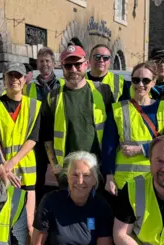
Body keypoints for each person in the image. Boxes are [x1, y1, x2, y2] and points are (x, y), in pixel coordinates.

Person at [0, 62, 41, 242]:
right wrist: (4, 167)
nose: (14, 80)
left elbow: (32, 139)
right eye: (10, 76)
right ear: (4, 79)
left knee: (28, 223)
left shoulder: (34, 106)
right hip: (1, 171)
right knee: (5, 220)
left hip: (26, 172)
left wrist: (11, 163)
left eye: (18, 76)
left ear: (25, 80)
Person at [32, 151, 122, 245]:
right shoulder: (50, 201)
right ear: (67, 177)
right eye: (75, 175)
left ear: (95, 180)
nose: (80, 181)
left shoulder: (101, 206)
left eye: (86, 175)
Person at [102, 62, 164, 195]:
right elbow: (108, 146)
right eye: (136, 80)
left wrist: (141, 149)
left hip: (156, 180)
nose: (140, 84)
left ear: (154, 82)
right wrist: (109, 177)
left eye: (146, 80)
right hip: (123, 182)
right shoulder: (117, 110)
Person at [42, 44, 114, 183]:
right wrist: (55, 165)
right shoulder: (53, 98)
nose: (73, 69)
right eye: (68, 66)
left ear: (86, 64)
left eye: (78, 64)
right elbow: (47, 137)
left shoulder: (102, 91)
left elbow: (113, 132)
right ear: (62, 67)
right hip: (68, 172)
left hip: (97, 169)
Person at [23, 47, 64, 201]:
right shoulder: (29, 88)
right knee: (37, 175)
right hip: (37, 139)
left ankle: (62, 204)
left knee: (60, 175)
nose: (44, 64)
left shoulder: (62, 85)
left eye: (47, 61)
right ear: (37, 65)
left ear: (53, 64)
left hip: (57, 138)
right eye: (41, 61)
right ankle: (37, 207)